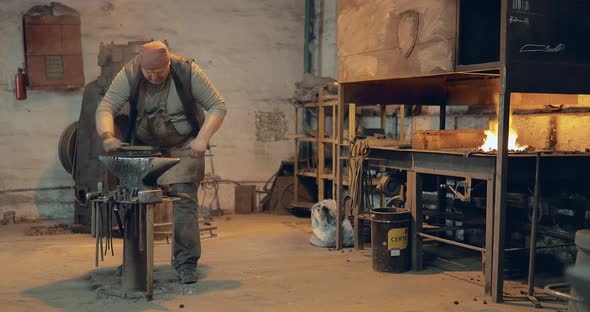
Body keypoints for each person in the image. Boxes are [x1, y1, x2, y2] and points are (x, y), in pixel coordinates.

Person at [95, 41, 226, 284]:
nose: (154, 77)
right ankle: (136, 262)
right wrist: (107, 136)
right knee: (135, 200)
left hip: (184, 145)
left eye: (160, 72)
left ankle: (186, 263)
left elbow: (218, 106)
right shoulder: (130, 73)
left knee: (184, 199)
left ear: (169, 64)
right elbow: (106, 106)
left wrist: (202, 138)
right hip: (145, 147)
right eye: (149, 73)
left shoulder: (187, 71)